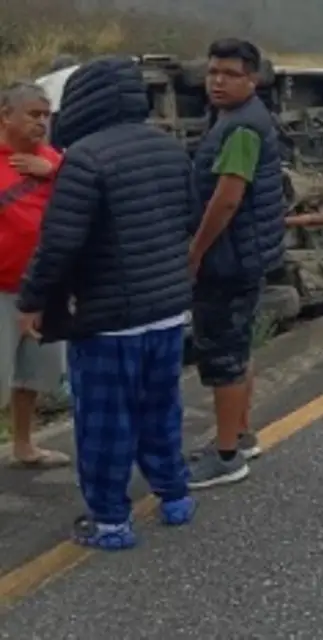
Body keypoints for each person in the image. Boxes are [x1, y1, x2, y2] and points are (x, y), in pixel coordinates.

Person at [17, 56, 196, 550]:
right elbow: (188, 219)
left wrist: (33, 300)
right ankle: (174, 496)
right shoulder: (170, 149)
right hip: (166, 313)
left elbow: (59, 245)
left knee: (105, 422)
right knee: (161, 408)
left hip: (108, 321)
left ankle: (112, 522)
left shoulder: (85, 159)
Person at [187, 38, 285, 489]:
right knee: (239, 347)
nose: (218, 81)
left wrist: (195, 251)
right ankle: (240, 435)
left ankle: (226, 456)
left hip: (228, 260)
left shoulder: (242, 128)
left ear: (253, 79)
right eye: (213, 73)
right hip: (246, 254)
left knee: (223, 354)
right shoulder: (235, 118)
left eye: (229, 74)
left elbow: (226, 199)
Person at [0, 81, 70, 469]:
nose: (42, 123)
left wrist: (53, 170)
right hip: (1, 289)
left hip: (42, 290)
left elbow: (85, 191)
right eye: (33, 114)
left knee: (33, 374)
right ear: (6, 116)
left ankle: (24, 445)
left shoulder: (54, 160)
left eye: (46, 116)